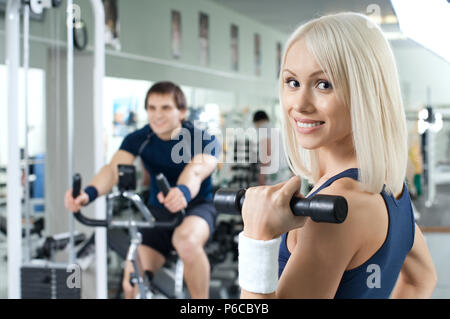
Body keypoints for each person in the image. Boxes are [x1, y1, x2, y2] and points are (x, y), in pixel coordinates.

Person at [238, 12, 437, 299]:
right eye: (292, 82)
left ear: (365, 92)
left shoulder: (335, 213)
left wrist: (257, 237)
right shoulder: (392, 190)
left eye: (324, 84)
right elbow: (422, 281)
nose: (300, 104)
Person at [64, 81, 220, 299]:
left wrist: (182, 192)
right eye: (152, 108)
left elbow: (196, 170)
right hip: (158, 212)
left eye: (165, 108)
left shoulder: (203, 139)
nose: (157, 115)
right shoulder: (140, 139)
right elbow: (112, 170)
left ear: (182, 111)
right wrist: (87, 194)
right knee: (132, 280)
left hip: (197, 208)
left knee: (186, 242)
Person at [252, 110, 293, 187]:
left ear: (255, 122)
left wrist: (262, 175)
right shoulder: (276, 129)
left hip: (273, 174)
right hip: (284, 172)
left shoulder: (262, 129)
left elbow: (266, 152)